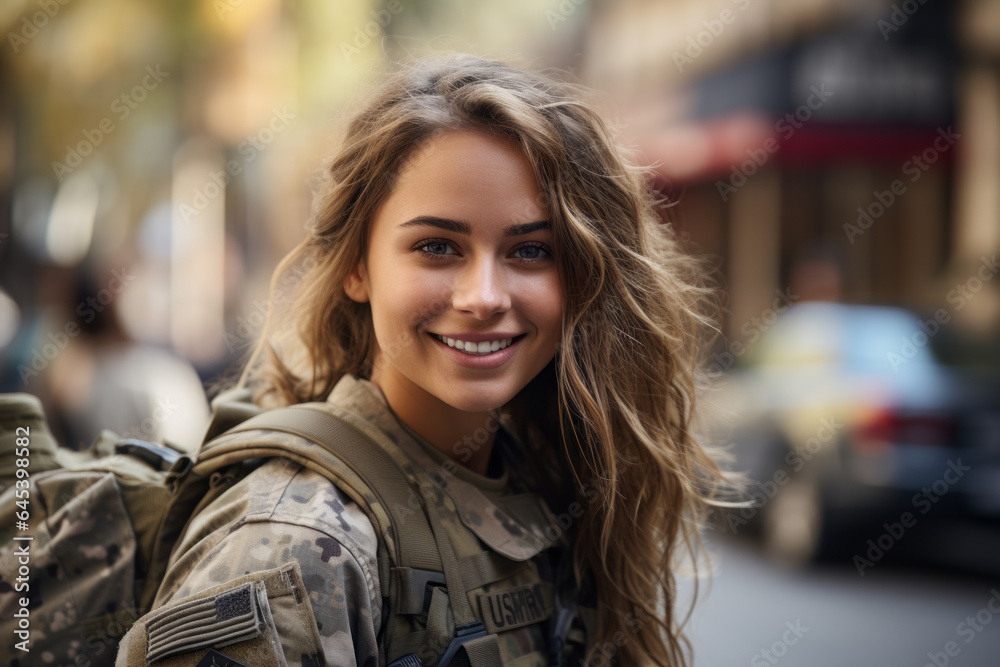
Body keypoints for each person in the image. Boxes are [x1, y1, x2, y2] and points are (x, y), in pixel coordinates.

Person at [120, 55, 734, 667]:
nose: (484, 297)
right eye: (437, 247)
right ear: (358, 267)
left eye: (530, 250)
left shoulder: (549, 483)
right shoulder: (296, 549)